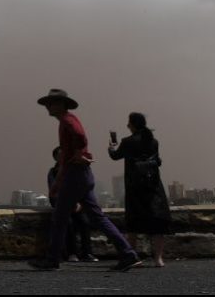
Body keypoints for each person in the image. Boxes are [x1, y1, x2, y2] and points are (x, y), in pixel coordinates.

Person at [29, 89, 141, 272]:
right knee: (97, 217)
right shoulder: (67, 120)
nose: (48, 107)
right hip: (82, 175)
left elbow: (80, 136)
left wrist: (80, 153)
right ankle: (128, 253)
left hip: (75, 175)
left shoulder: (67, 121)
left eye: (52, 103)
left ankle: (52, 259)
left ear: (61, 104)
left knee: (59, 218)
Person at [109, 112, 172, 267]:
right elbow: (157, 160)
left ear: (133, 124)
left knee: (133, 222)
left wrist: (111, 147)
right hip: (153, 185)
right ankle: (158, 259)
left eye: (128, 122)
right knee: (158, 221)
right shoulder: (154, 141)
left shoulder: (127, 142)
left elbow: (115, 156)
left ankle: (133, 256)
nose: (127, 125)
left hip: (134, 186)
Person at [47, 147, 97, 263]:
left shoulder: (72, 169)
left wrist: (78, 203)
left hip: (75, 204)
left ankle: (87, 253)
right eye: (59, 155)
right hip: (61, 204)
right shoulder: (53, 172)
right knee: (68, 222)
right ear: (56, 158)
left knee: (84, 221)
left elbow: (79, 188)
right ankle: (72, 253)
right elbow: (53, 192)